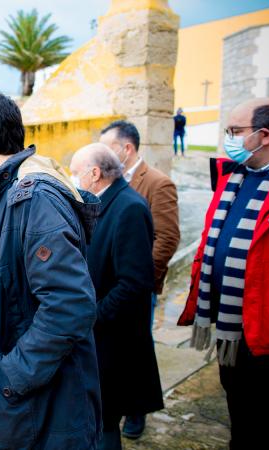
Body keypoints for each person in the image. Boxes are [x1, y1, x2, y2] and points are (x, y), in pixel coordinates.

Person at [0, 89, 102, 450]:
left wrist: (11, 375)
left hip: (36, 404)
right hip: (24, 401)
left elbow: (70, 305)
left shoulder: (34, 200)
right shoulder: (15, 196)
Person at [178, 98, 269, 449]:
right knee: (239, 408)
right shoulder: (234, 173)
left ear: (264, 135)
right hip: (230, 325)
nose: (228, 138)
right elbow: (210, 238)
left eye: (234, 131)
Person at [70, 144, 164, 450]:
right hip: (100, 337)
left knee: (104, 422)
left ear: (94, 174)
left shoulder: (129, 208)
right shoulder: (102, 202)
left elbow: (135, 282)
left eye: (75, 172)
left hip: (113, 339)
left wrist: (92, 316)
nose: (73, 179)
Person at [98, 120, 180, 439]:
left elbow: (168, 237)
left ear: (126, 149)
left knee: (135, 347)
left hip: (136, 286)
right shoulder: (108, 180)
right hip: (113, 284)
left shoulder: (157, 183)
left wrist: (142, 278)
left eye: (108, 147)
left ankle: (136, 411)